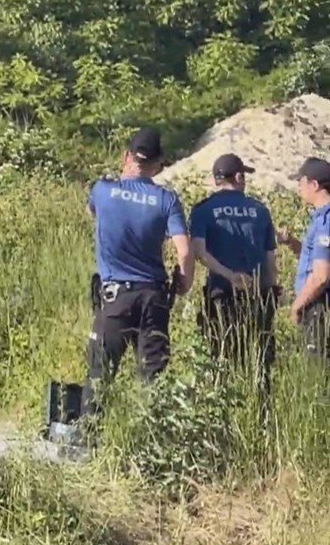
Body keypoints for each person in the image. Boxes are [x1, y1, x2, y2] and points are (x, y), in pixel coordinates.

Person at [81, 127, 194, 424]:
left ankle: (87, 437)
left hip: (116, 297)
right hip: (154, 297)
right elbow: (184, 250)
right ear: (157, 164)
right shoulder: (166, 199)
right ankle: (151, 437)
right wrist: (185, 281)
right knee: (153, 375)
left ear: (127, 156)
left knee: (100, 371)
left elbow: (93, 213)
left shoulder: (102, 190)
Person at [189, 154, 279, 399]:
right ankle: (261, 416)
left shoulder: (203, 210)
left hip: (221, 295)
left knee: (220, 360)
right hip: (257, 297)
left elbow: (198, 250)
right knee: (260, 362)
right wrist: (270, 293)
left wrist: (229, 276)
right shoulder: (260, 210)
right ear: (238, 177)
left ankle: (221, 414)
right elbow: (270, 260)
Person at [279, 157, 330, 359]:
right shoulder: (320, 218)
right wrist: (293, 243)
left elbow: (321, 276)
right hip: (319, 303)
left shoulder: (325, 221)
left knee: (317, 369)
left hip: (319, 306)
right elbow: (319, 259)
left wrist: (297, 306)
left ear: (314, 185)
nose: (299, 187)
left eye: (301, 182)